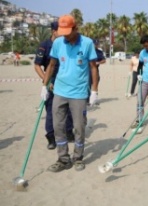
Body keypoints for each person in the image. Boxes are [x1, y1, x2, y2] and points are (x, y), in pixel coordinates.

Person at [40, 14, 99, 172]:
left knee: (79, 127)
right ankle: (63, 159)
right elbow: (51, 65)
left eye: (67, 31)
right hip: (59, 91)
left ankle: (78, 157)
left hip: (79, 93)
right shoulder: (58, 42)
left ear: (75, 28)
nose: (64, 34)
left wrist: (94, 90)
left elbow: (93, 67)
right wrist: (44, 86)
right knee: (58, 126)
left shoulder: (87, 43)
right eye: (62, 31)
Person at [34, 21, 74, 150]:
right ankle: (51, 137)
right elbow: (37, 66)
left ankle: (69, 132)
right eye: (60, 31)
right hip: (51, 82)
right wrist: (46, 82)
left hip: (66, 82)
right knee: (51, 111)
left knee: (69, 109)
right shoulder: (44, 46)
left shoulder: (65, 44)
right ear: (54, 31)